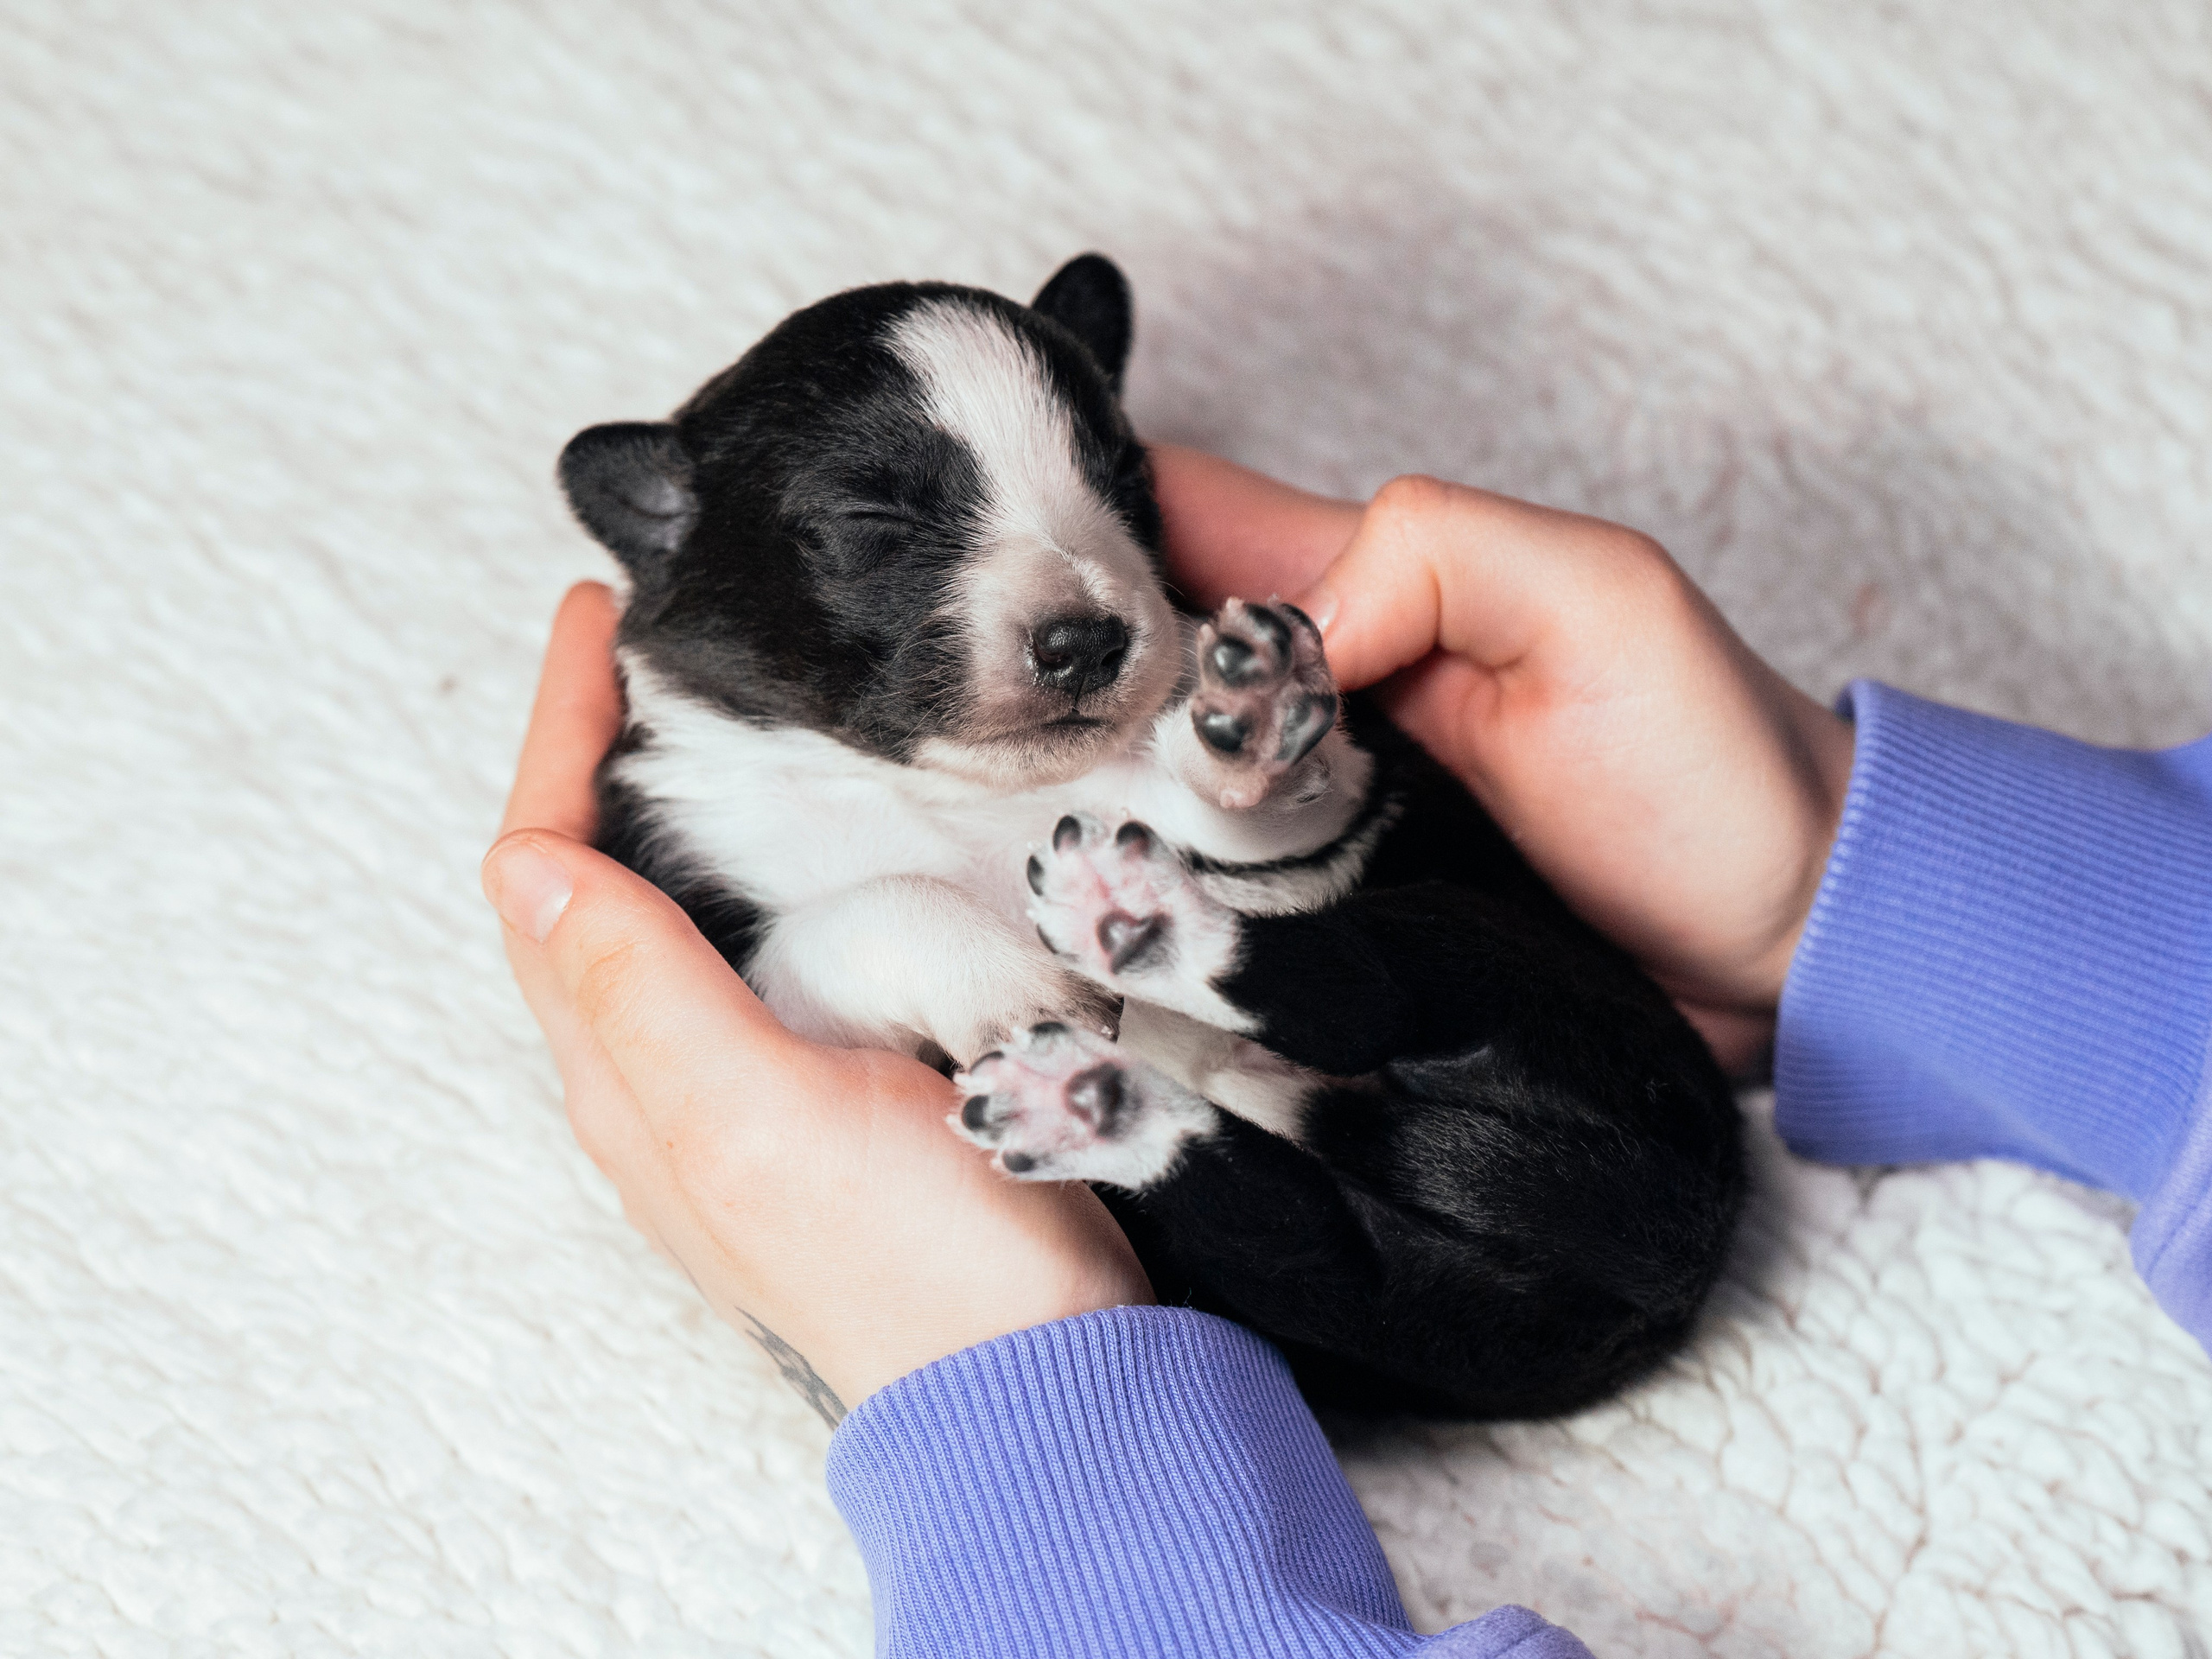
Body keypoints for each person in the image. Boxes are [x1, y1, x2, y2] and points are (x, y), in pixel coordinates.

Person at [483, 448, 2212, 1658]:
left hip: (1511, 1107)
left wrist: (1014, 1396)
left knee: (1359, 985)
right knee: (1306, 1158)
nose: (1074, 594)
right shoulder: (744, 792)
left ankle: (1178, 1037)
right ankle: (1166, 1081)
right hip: (1413, 1208)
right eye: (884, 527)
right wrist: (1861, 860)